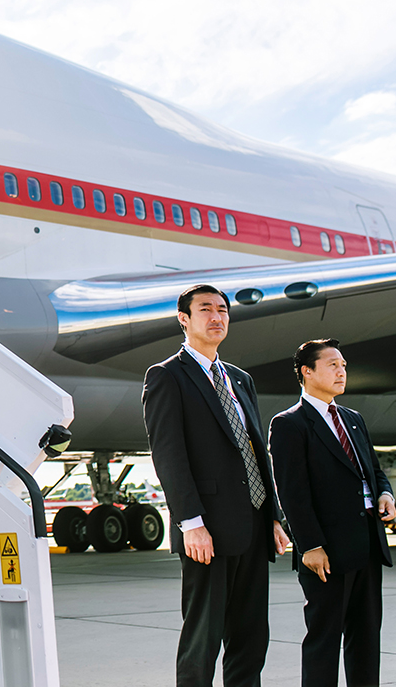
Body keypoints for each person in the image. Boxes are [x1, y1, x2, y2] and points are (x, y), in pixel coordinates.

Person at [142, 284, 290, 687]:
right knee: (203, 638)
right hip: (206, 531)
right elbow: (169, 455)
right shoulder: (167, 376)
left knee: (250, 637)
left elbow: (256, 451)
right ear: (184, 319)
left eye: (223, 309)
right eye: (205, 309)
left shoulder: (240, 379)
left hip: (253, 526)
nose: (217, 316)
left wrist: (273, 516)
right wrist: (191, 523)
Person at [269, 339, 396, 687]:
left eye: (343, 366)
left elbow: (373, 470)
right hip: (326, 551)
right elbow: (292, 493)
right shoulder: (290, 424)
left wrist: (385, 494)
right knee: (324, 640)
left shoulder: (353, 419)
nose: (341, 372)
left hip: (368, 544)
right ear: (306, 372)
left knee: (367, 638)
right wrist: (309, 545)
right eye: (332, 365)